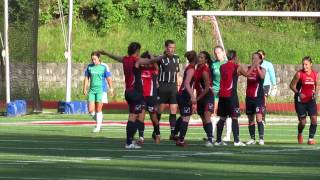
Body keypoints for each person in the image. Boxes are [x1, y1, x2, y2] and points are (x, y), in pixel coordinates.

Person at [99, 42, 162, 149]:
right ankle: (129, 142)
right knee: (133, 116)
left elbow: (115, 57)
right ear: (137, 51)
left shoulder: (125, 59)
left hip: (128, 91)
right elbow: (151, 61)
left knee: (136, 115)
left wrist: (105, 53)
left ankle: (131, 140)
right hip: (135, 92)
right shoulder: (135, 60)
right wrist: (164, 56)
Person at [215, 50, 246, 146]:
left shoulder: (222, 67)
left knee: (222, 118)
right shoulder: (237, 67)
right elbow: (247, 74)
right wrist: (254, 65)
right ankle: (236, 140)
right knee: (234, 117)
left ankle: (218, 140)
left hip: (222, 95)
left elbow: (229, 75)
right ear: (235, 57)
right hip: (231, 96)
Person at [290, 56, 318, 145]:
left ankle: (310, 139)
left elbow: (318, 85)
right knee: (303, 122)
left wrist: (315, 92)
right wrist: (298, 93)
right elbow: (292, 85)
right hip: (300, 101)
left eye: (306, 64)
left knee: (314, 119)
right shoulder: (299, 74)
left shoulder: (315, 74)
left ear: (311, 65)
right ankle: (300, 133)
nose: (304, 66)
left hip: (311, 100)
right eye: (303, 64)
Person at [156, 40, 181, 140]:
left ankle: (173, 133)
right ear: (166, 47)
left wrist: (178, 85)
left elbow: (177, 73)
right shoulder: (160, 58)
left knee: (173, 110)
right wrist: (157, 84)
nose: (172, 49)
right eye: (170, 47)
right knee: (160, 110)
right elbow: (155, 70)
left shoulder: (176, 58)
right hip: (163, 86)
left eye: (173, 47)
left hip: (173, 87)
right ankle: (156, 132)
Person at [136, 51, 161, 145]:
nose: (146, 63)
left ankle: (158, 135)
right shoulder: (139, 69)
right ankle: (141, 138)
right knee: (140, 117)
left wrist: (151, 56)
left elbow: (156, 66)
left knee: (154, 117)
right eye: (145, 61)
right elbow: (136, 63)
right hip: (142, 97)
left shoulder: (153, 70)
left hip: (151, 98)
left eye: (148, 61)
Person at [83, 51, 110, 133]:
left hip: (101, 91)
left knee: (98, 109)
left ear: (99, 58)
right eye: (92, 59)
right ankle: (100, 118)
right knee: (91, 111)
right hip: (92, 90)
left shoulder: (104, 66)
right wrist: (84, 88)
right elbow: (87, 78)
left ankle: (98, 127)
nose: (93, 61)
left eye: (95, 59)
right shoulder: (89, 67)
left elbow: (109, 78)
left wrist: (111, 88)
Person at [175, 50, 197, 147]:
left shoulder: (190, 68)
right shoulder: (191, 69)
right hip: (184, 94)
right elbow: (187, 84)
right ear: (195, 58)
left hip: (183, 94)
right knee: (186, 117)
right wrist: (192, 96)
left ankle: (175, 133)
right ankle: (181, 139)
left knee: (184, 115)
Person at [245, 52, 266, 146]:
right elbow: (247, 75)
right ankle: (252, 138)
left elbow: (262, 76)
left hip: (258, 97)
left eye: (256, 59)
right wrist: (253, 66)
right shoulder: (248, 68)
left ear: (260, 60)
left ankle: (261, 138)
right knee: (250, 118)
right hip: (249, 97)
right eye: (253, 58)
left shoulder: (263, 69)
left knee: (258, 117)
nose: (254, 60)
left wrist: (257, 67)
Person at [211, 46, 231, 142]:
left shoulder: (228, 64)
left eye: (219, 52)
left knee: (226, 114)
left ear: (223, 52)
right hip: (214, 91)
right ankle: (211, 135)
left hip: (225, 92)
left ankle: (227, 135)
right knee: (213, 113)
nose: (217, 55)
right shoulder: (213, 64)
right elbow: (209, 77)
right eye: (215, 53)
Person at [195, 51, 214, 147]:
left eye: (202, 57)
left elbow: (207, 88)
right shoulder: (197, 68)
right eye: (199, 57)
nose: (199, 59)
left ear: (206, 60)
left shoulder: (205, 70)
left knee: (207, 116)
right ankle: (209, 136)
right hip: (200, 97)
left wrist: (197, 98)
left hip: (207, 96)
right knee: (203, 118)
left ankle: (210, 139)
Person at [257, 50, 277, 124]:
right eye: (258, 54)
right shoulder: (255, 64)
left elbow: (272, 75)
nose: (260, 56)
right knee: (257, 101)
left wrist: (274, 85)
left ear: (264, 56)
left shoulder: (268, 64)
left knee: (263, 101)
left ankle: (263, 119)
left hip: (266, 85)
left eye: (261, 54)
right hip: (257, 85)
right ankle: (258, 117)